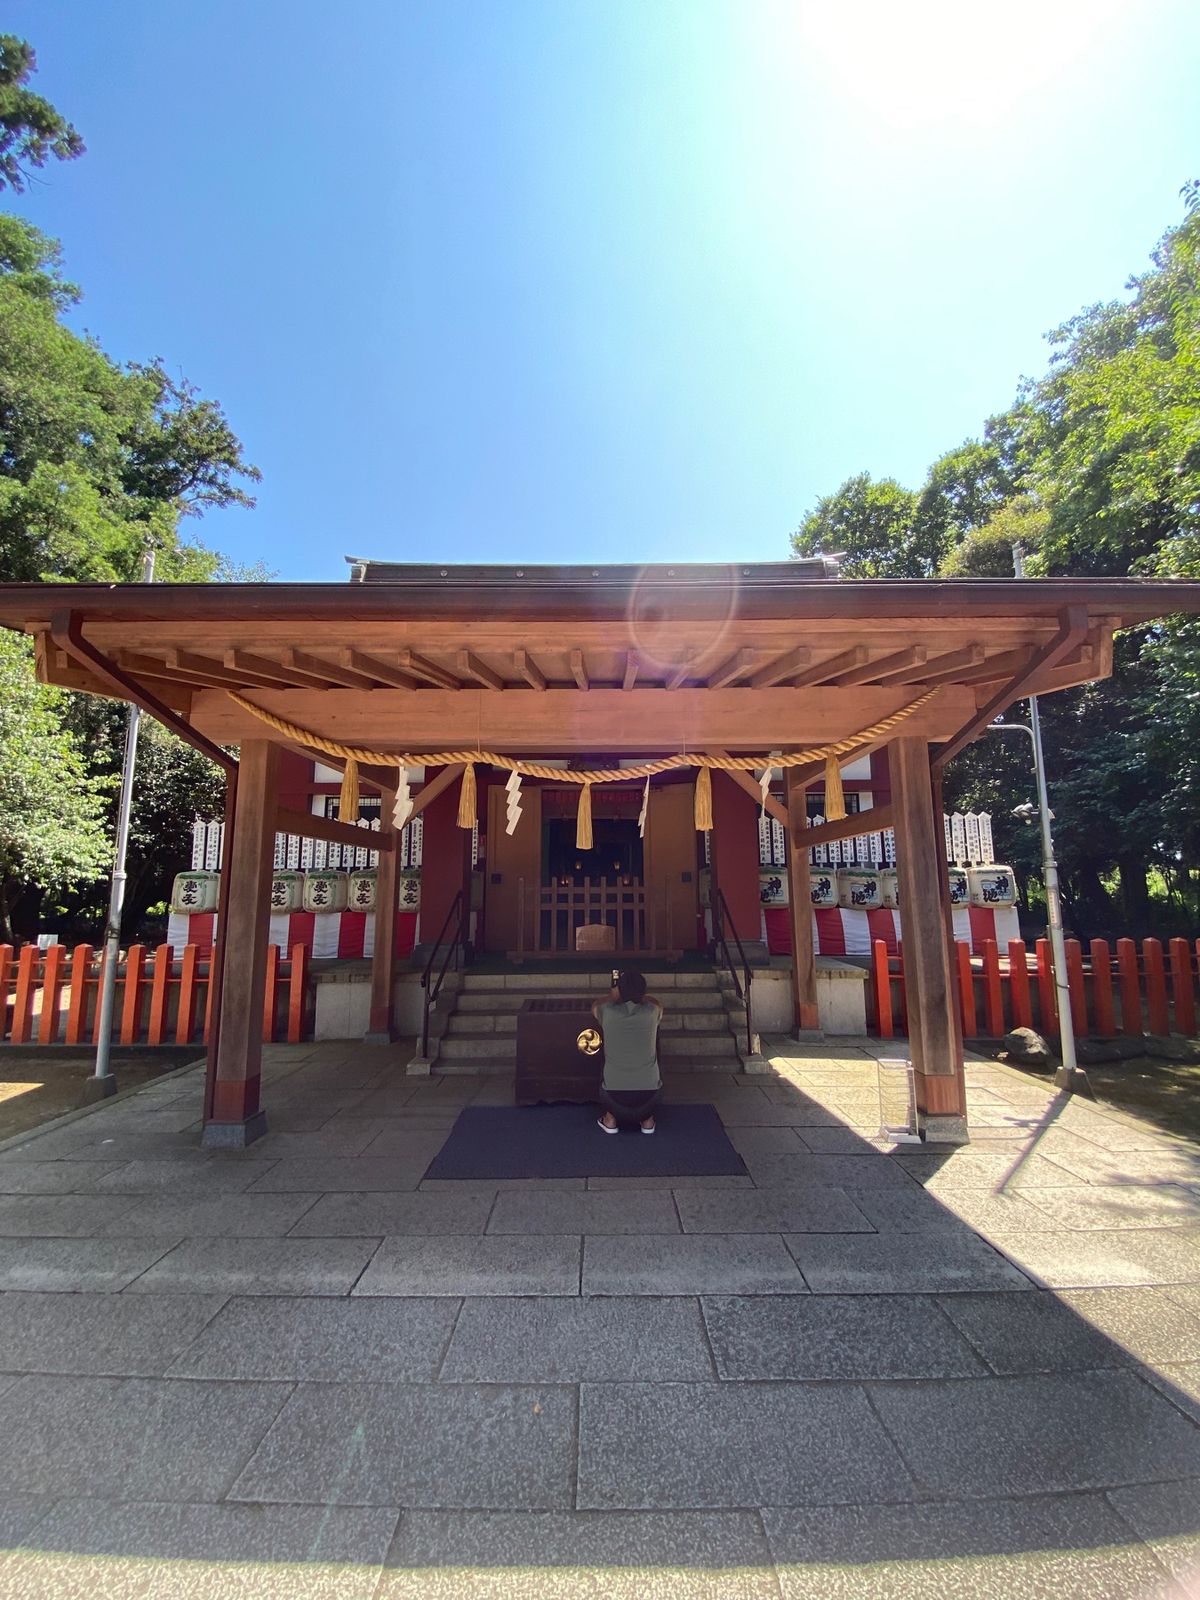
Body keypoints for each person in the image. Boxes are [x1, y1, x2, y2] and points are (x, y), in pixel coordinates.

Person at [592, 968, 663, 1134]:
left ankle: (610, 1120)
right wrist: (639, 996)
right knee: (655, 1066)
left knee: (604, 1064)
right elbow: (658, 1003)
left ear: (620, 991)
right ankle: (647, 1120)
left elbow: (595, 1006)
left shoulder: (608, 1011)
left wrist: (613, 997)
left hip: (613, 1098)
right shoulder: (652, 1012)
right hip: (650, 1097)